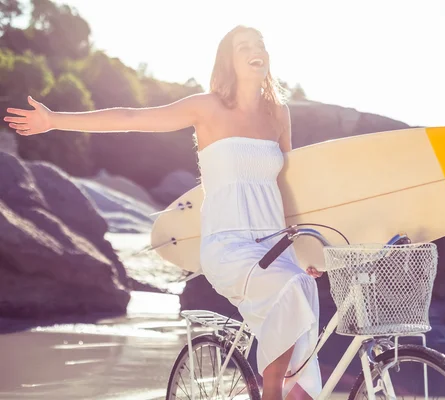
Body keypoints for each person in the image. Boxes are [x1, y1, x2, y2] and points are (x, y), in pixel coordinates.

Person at [4, 25, 323, 400]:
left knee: (304, 301)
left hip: (274, 248)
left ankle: (290, 392)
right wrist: (55, 120)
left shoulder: (279, 114)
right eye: (243, 46)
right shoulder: (207, 107)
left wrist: (304, 250)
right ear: (229, 61)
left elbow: (287, 186)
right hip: (230, 246)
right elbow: (130, 118)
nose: (256, 50)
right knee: (292, 289)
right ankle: (272, 392)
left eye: (260, 44)